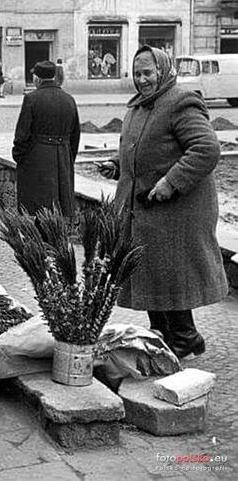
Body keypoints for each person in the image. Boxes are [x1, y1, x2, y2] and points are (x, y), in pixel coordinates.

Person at [98, 46, 228, 360]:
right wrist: (119, 164)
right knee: (149, 273)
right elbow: (144, 147)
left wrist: (170, 182)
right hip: (145, 209)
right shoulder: (140, 106)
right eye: (137, 73)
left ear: (164, 71)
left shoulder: (180, 102)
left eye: (148, 73)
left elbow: (206, 149)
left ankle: (185, 338)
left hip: (176, 212)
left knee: (170, 274)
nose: (142, 79)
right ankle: (164, 335)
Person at [12, 60, 80, 217]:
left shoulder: (31, 99)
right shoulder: (69, 99)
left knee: (36, 209)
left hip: (36, 159)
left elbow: (21, 135)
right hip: (62, 158)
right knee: (60, 208)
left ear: (37, 79)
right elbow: (75, 135)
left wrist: (20, 158)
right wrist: (67, 158)